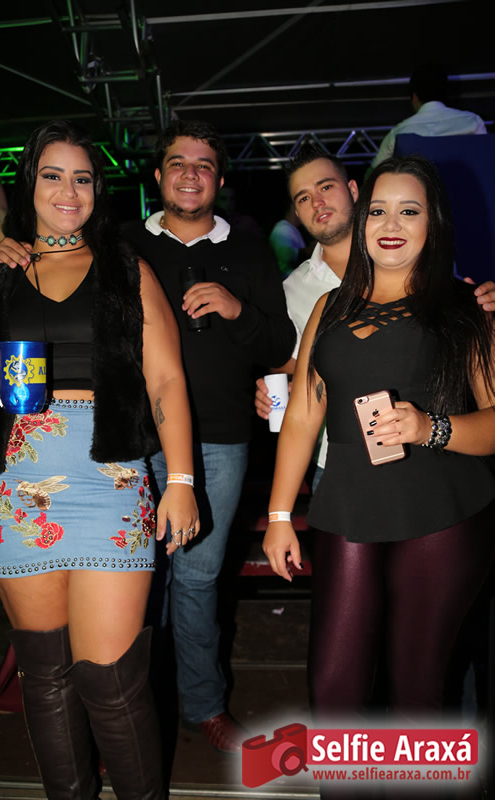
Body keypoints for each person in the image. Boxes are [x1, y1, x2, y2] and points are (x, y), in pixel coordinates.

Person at [0, 119, 296, 754]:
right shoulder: (122, 241)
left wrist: (236, 308)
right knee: (131, 582)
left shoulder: (248, 248)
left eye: (204, 164)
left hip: (219, 439)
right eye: (177, 162)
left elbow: (278, 344)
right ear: (157, 175)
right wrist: (9, 245)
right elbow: (55, 255)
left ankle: (201, 706)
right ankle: (132, 707)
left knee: (198, 580)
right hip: (127, 439)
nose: (190, 174)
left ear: (219, 178)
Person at [0, 120, 199, 800]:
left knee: (113, 680)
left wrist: (180, 480)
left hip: (111, 479)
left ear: (98, 190)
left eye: (83, 178)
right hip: (13, 484)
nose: (68, 191)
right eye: (52, 175)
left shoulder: (127, 270)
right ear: (29, 186)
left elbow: (165, 381)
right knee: (45, 675)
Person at [263, 155, 495, 736]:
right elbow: (303, 414)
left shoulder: (465, 308)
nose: (391, 225)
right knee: (333, 691)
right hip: (349, 504)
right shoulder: (330, 306)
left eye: (409, 211)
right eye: (378, 211)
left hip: (441, 509)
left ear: (433, 223)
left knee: (416, 694)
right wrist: (280, 516)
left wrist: (429, 427)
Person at [256, 144, 495, 487]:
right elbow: (292, 374)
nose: (317, 202)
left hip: (433, 464)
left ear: (354, 191)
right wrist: (273, 394)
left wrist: (483, 305)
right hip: (337, 463)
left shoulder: (413, 254)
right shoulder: (291, 291)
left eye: (325, 187)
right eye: (303, 198)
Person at [371, 63, 487, 169]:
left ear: (414, 97)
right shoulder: (473, 122)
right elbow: (487, 160)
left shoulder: (398, 133)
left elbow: (375, 171)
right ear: (445, 93)